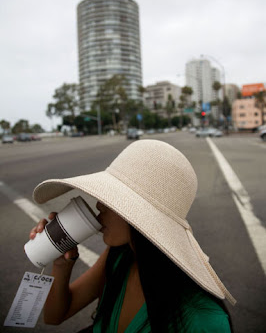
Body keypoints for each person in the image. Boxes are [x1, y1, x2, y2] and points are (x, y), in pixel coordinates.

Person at [30, 139, 236, 332]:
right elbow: (54, 316)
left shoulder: (204, 321)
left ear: (143, 219)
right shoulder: (120, 256)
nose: (99, 204)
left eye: (112, 199)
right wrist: (61, 263)